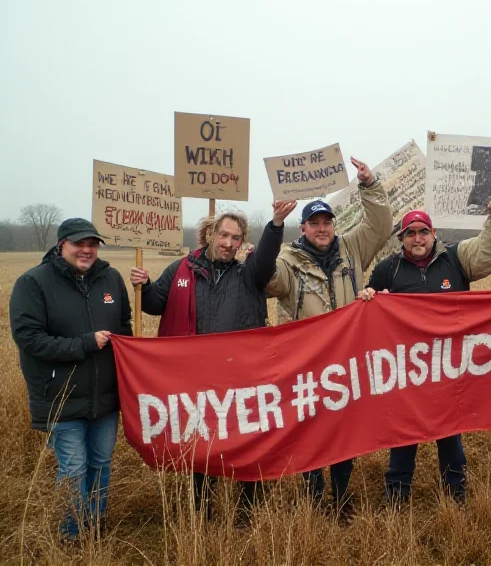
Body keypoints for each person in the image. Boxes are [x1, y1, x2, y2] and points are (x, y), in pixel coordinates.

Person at [130, 203, 291, 517]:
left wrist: (275, 224)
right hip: (196, 377)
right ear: (210, 235)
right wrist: (145, 286)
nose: (229, 243)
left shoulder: (250, 274)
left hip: (242, 374)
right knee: (202, 441)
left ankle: (248, 506)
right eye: (224, 235)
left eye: (236, 237)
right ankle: (200, 505)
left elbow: (268, 257)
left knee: (248, 438)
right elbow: (154, 304)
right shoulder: (181, 269)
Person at [358, 192, 491, 503]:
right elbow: (369, 301)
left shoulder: (456, 259)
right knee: (403, 434)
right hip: (407, 368)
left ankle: (455, 492)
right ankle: (397, 494)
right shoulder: (389, 268)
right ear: (402, 238)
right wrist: (369, 297)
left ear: (433, 234)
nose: (417, 238)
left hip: (448, 366)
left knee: (449, 433)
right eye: (410, 233)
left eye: (423, 232)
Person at [266, 156, 392, 515]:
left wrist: (370, 185)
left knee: (344, 433)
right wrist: (267, 240)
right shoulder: (289, 260)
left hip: (346, 364)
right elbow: (268, 280)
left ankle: (340, 495)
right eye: (314, 223)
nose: (322, 228)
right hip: (306, 364)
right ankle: (313, 495)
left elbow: (380, 226)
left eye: (327, 222)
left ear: (334, 225)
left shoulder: (351, 249)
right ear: (303, 228)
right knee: (310, 433)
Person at [10, 218, 132, 540]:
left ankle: (95, 524)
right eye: (79, 243)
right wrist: (84, 344)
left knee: (100, 463)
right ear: (61, 244)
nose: (87, 250)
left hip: (105, 397)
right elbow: (29, 338)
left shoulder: (111, 279)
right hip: (60, 396)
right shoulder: (33, 283)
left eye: (93, 244)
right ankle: (71, 533)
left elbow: (124, 325)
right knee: (74, 468)